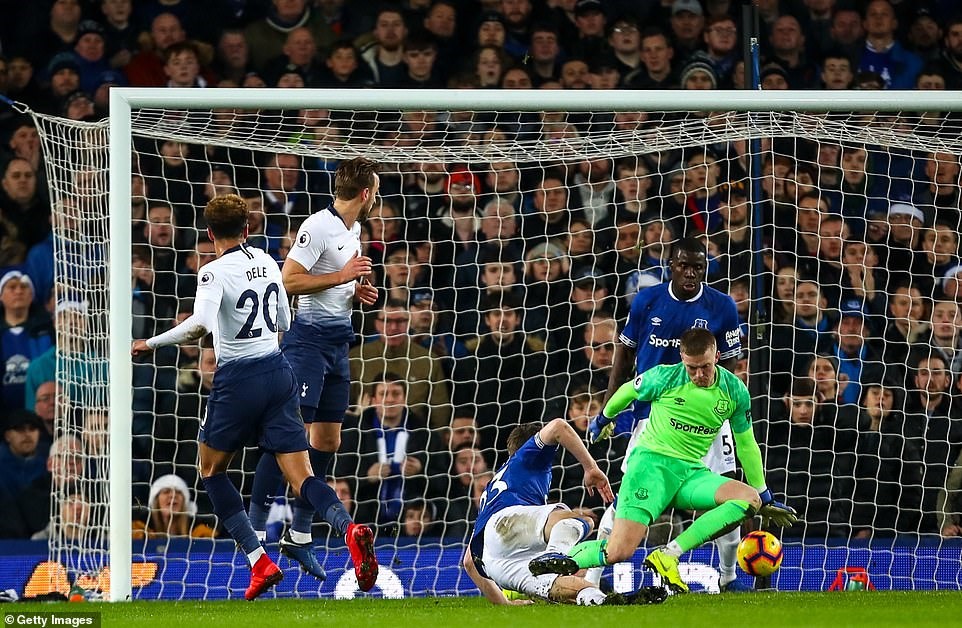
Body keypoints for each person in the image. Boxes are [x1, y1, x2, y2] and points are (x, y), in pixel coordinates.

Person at [130, 194, 378, 599]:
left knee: (211, 470)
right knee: (303, 476)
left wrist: (150, 342)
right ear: (247, 229)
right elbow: (283, 318)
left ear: (209, 235)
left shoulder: (212, 273)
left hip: (238, 379)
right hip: (278, 371)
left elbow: (199, 327)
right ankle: (349, 528)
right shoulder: (266, 261)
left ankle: (258, 561)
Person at [530, 328, 797, 593]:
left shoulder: (735, 390)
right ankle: (560, 560)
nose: (699, 375)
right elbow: (627, 391)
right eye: (692, 368)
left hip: (690, 473)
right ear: (682, 358)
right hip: (650, 469)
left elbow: (746, 444)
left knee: (749, 498)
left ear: (717, 355)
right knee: (618, 551)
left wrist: (765, 494)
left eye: (704, 367)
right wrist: (603, 419)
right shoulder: (665, 377)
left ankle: (669, 555)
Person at [245, 157, 380, 584]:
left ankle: (300, 534)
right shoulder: (316, 226)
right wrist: (341, 274)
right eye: (375, 191)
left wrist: (352, 290)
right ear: (366, 193)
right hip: (306, 344)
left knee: (327, 439)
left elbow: (329, 283)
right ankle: (253, 528)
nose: (376, 198)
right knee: (288, 435)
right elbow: (289, 279)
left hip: (339, 345)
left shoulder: (353, 231)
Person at [587, 238, 747, 591]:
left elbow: (731, 366)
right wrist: (608, 409)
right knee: (626, 498)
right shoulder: (647, 301)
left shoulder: (722, 306)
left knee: (728, 494)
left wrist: (721, 409)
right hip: (653, 420)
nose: (691, 273)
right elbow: (624, 357)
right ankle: (591, 578)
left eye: (698, 267)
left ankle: (729, 576)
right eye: (684, 266)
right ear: (671, 265)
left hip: (707, 421)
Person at [463, 419, 666, 606]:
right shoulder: (527, 457)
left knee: (574, 588)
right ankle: (555, 553)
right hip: (506, 524)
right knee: (581, 518)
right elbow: (559, 427)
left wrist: (504, 605)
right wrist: (590, 468)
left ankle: (602, 601)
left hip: (495, 562)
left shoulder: (494, 490)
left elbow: (469, 562)